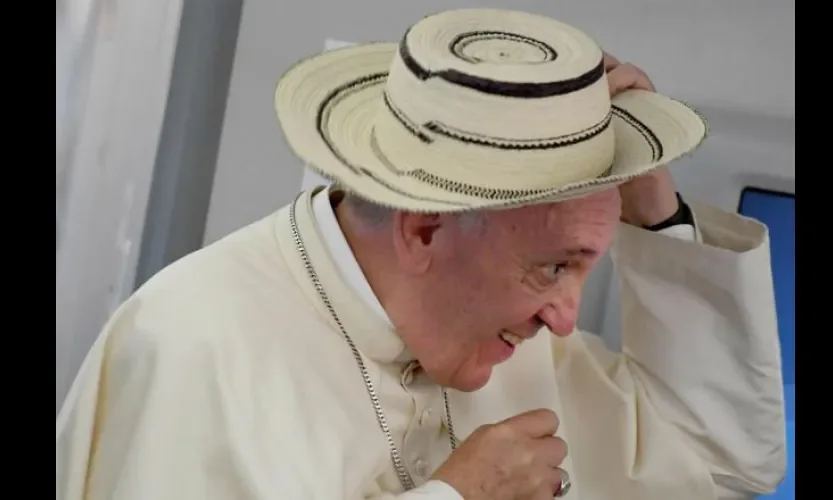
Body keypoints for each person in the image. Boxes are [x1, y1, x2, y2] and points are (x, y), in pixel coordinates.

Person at [55, 8, 787, 500]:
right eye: (555, 267)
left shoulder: (521, 350)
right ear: (427, 229)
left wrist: (653, 207)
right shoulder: (195, 345)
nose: (567, 322)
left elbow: (724, 460)